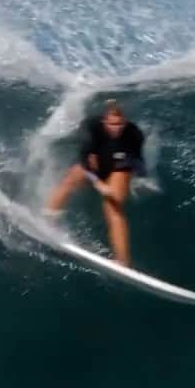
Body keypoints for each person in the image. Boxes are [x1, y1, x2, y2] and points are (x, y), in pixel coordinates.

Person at [45, 100, 145, 266]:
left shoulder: (134, 134)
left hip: (118, 167)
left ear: (125, 121)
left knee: (113, 204)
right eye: (112, 124)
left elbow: (138, 163)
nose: (116, 128)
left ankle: (122, 260)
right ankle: (48, 222)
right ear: (104, 121)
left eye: (120, 124)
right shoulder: (92, 128)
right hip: (94, 167)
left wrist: (132, 179)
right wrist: (97, 183)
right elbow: (84, 160)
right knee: (72, 177)